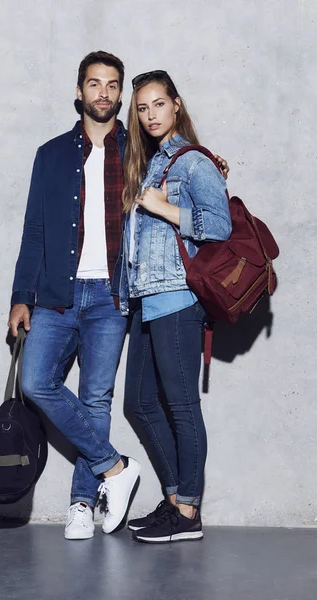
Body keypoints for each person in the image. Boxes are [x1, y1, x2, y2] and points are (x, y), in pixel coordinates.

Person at [8, 51, 141, 540]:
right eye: (94, 83)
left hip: (111, 294)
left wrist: (213, 167)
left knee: (96, 398)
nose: (102, 92)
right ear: (79, 90)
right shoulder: (52, 154)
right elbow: (34, 229)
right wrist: (22, 294)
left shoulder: (137, 151)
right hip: (56, 294)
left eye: (111, 85)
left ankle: (83, 502)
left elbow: (179, 169)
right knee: (37, 382)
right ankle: (115, 468)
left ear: (120, 94)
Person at [120, 70, 232, 543]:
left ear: (177, 105)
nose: (150, 115)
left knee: (182, 407)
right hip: (147, 299)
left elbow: (219, 226)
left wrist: (164, 209)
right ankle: (175, 500)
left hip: (178, 299)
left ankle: (187, 512)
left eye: (158, 105)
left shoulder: (191, 163)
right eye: (142, 108)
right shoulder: (150, 164)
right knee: (140, 403)